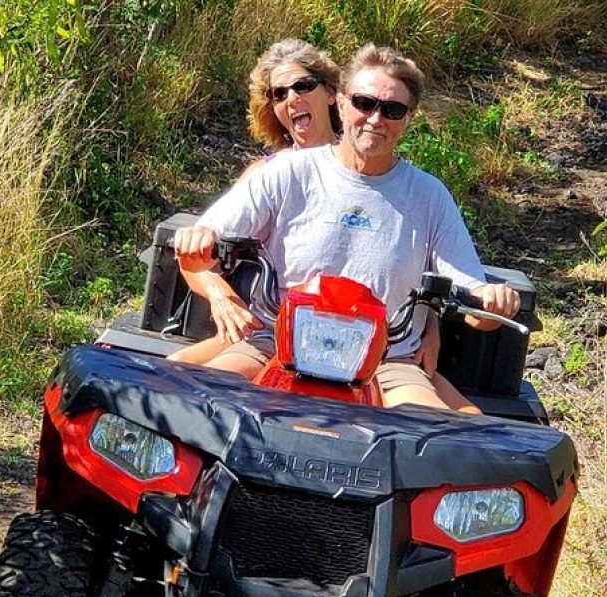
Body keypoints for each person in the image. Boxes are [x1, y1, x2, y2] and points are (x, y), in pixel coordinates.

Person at [174, 43, 520, 413]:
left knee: (433, 439)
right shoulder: (286, 173)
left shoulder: (429, 196)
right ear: (341, 103)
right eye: (364, 103)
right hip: (276, 341)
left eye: (392, 109)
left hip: (387, 361)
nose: (375, 119)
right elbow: (209, 235)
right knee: (199, 406)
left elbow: (472, 295)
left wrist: (493, 300)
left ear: (409, 118)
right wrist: (198, 240)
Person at [167, 38, 341, 365]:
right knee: (169, 378)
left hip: (349, 335)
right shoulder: (266, 174)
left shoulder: (367, 168)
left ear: (331, 93)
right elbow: (195, 249)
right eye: (279, 93)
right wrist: (223, 299)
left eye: (302, 85)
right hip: (269, 329)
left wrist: (430, 328)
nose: (292, 98)